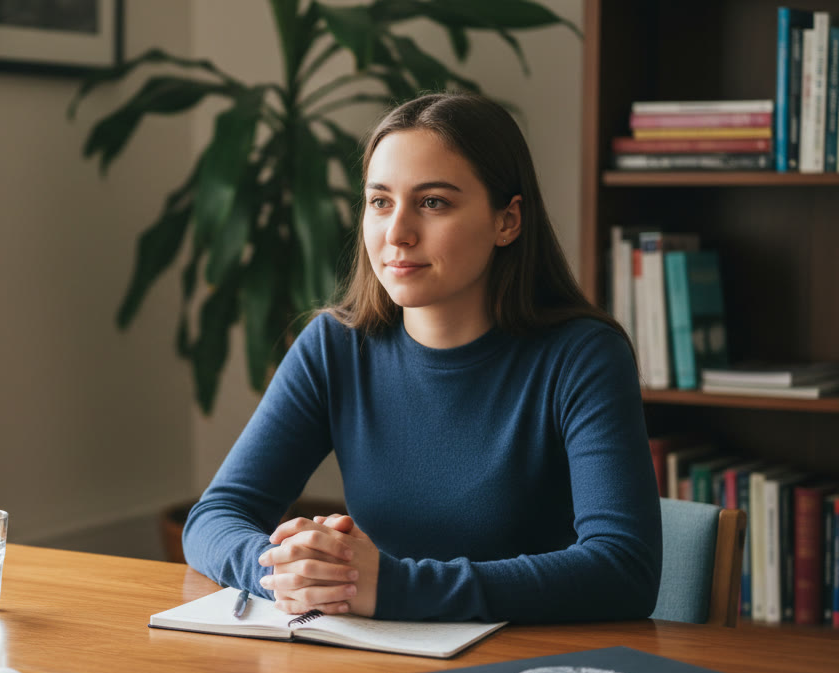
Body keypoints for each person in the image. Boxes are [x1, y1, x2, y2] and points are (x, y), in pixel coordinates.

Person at [183, 92, 661, 624]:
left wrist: (392, 587)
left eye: (433, 202)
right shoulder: (333, 348)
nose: (397, 233)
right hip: (372, 661)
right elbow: (214, 517)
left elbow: (624, 570)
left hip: (527, 672)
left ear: (508, 221)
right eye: (380, 201)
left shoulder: (582, 357)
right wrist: (290, 570)